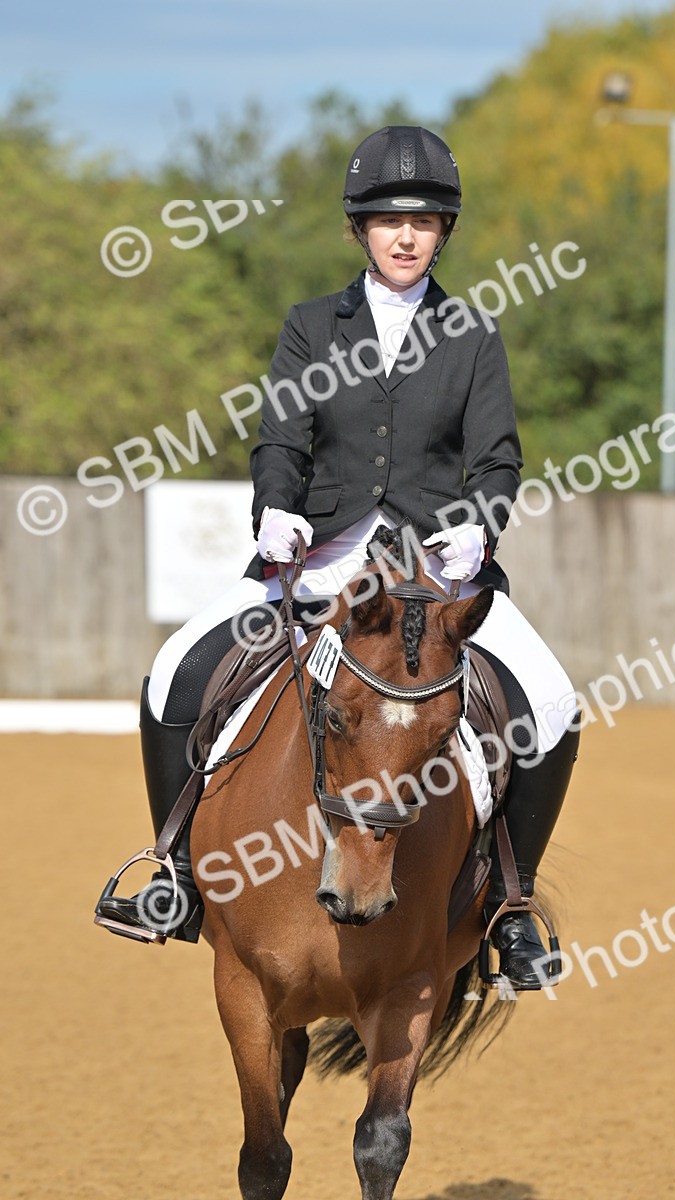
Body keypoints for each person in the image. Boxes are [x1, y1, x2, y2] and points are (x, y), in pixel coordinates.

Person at [95, 125, 580, 989]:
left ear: (444, 232)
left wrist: (480, 526)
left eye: (424, 222)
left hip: (436, 575)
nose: (405, 236)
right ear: (359, 228)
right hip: (317, 563)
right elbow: (281, 437)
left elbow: (498, 458)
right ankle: (172, 873)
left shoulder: (471, 334)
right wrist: (275, 507)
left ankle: (510, 908)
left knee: (553, 701)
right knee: (173, 672)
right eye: (389, 219)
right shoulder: (312, 325)